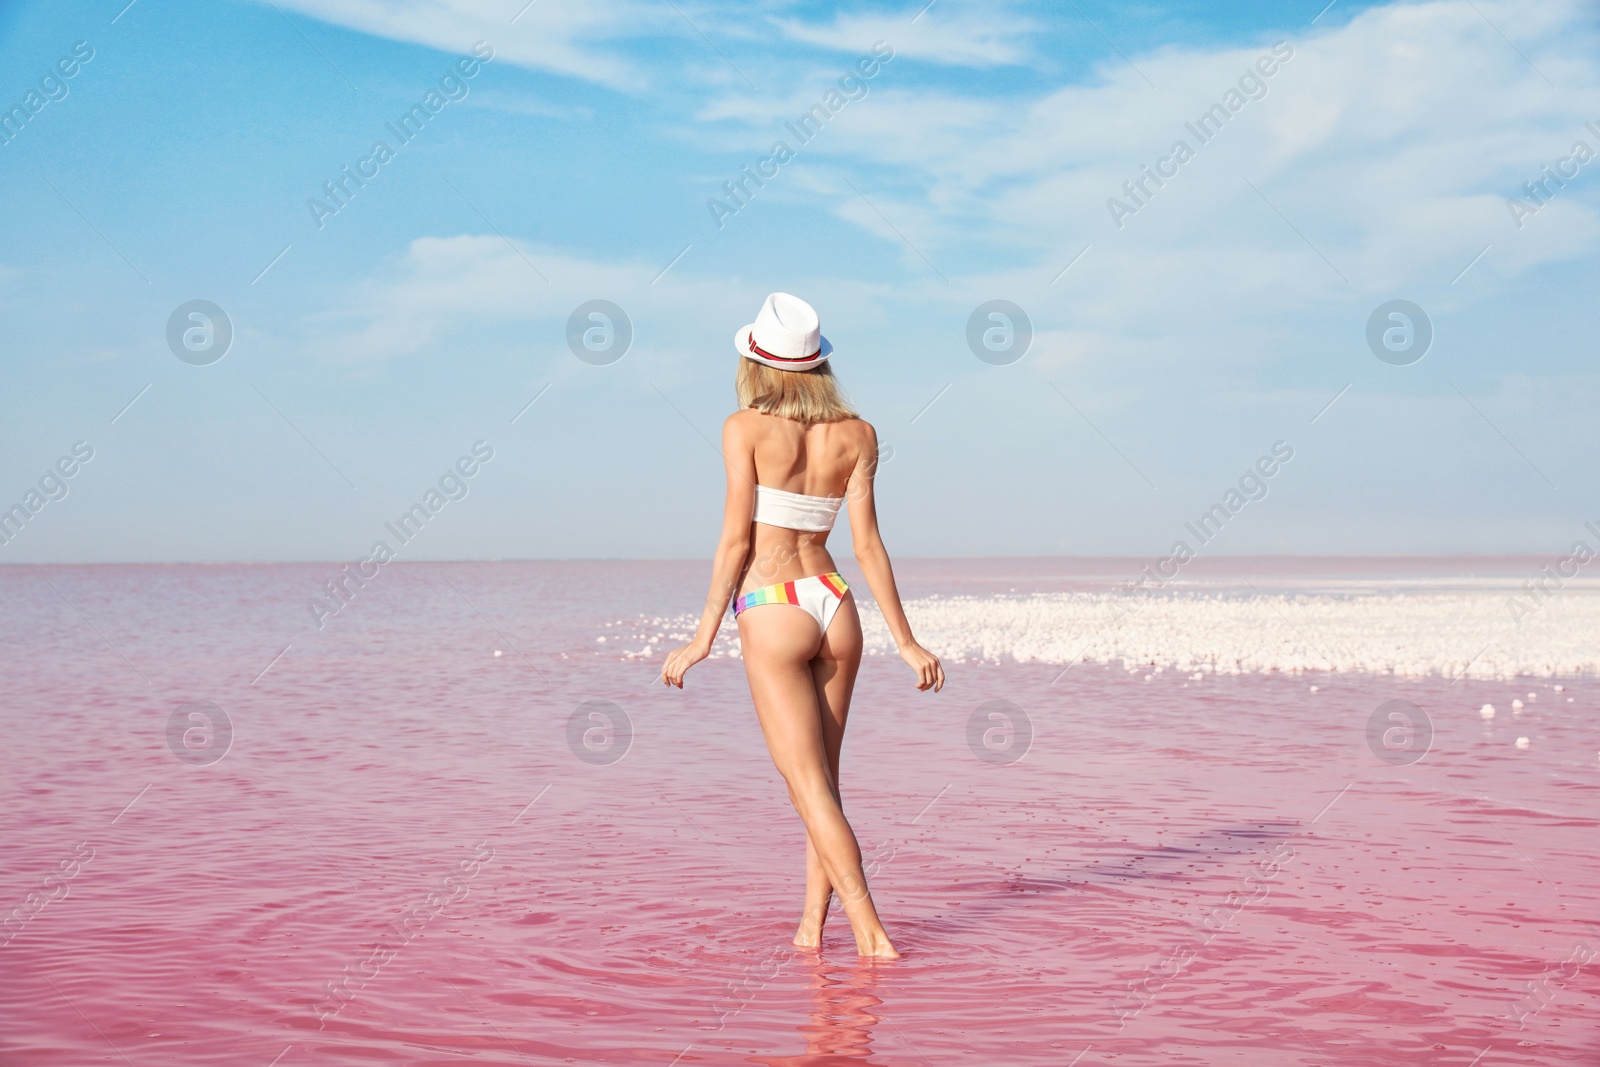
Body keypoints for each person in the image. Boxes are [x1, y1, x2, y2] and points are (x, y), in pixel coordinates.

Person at [661, 292, 944, 959]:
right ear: (817, 364)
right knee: (825, 787)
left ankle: (872, 936)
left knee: (808, 787)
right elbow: (869, 544)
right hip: (834, 601)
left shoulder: (743, 427)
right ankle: (812, 931)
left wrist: (702, 636)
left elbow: (735, 541)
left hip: (774, 604)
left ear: (756, 362)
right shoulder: (858, 432)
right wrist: (905, 640)